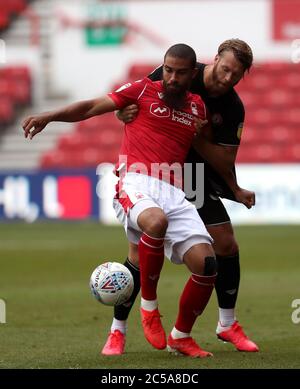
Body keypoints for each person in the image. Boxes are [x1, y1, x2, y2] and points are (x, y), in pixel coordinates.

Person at [22, 43, 248, 358]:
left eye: (179, 73)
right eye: (167, 70)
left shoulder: (199, 108)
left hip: (177, 189)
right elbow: (91, 107)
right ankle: (146, 310)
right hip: (137, 180)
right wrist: (50, 116)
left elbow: (215, 154)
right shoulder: (143, 89)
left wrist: (232, 185)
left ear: (191, 74)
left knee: (207, 264)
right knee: (153, 228)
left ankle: (181, 336)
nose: (171, 78)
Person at [102, 38, 259, 356]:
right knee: (138, 252)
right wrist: (124, 112)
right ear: (215, 59)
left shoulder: (232, 107)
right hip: (157, 169)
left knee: (225, 244)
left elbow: (224, 161)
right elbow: (140, 100)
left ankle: (226, 324)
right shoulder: (180, 70)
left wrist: (202, 140)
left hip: (195, 176)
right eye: (226, 69)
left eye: (236, 75)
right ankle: (117, 330)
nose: (229, 78)